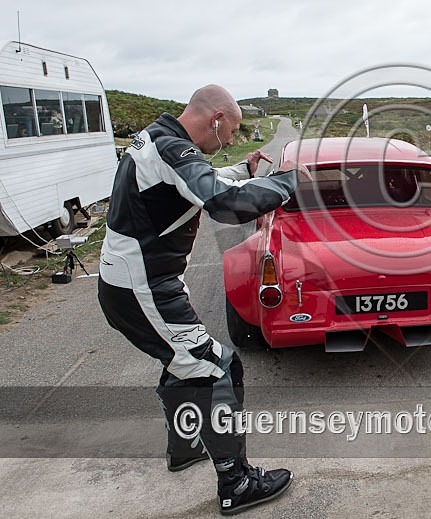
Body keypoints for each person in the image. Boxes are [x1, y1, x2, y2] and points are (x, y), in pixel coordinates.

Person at [97, 84, 310, 514]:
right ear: (215, 120)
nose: (230, 140)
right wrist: (288, 184)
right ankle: (236, 482)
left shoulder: (159, 139)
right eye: (230, 132)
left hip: (138, 283)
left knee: (184, 364)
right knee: (218, 370)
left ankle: (186, 445)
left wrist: (244, 169)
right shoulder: (171, 149)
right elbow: (223, 203)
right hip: (143, 288)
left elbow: (199, 182)